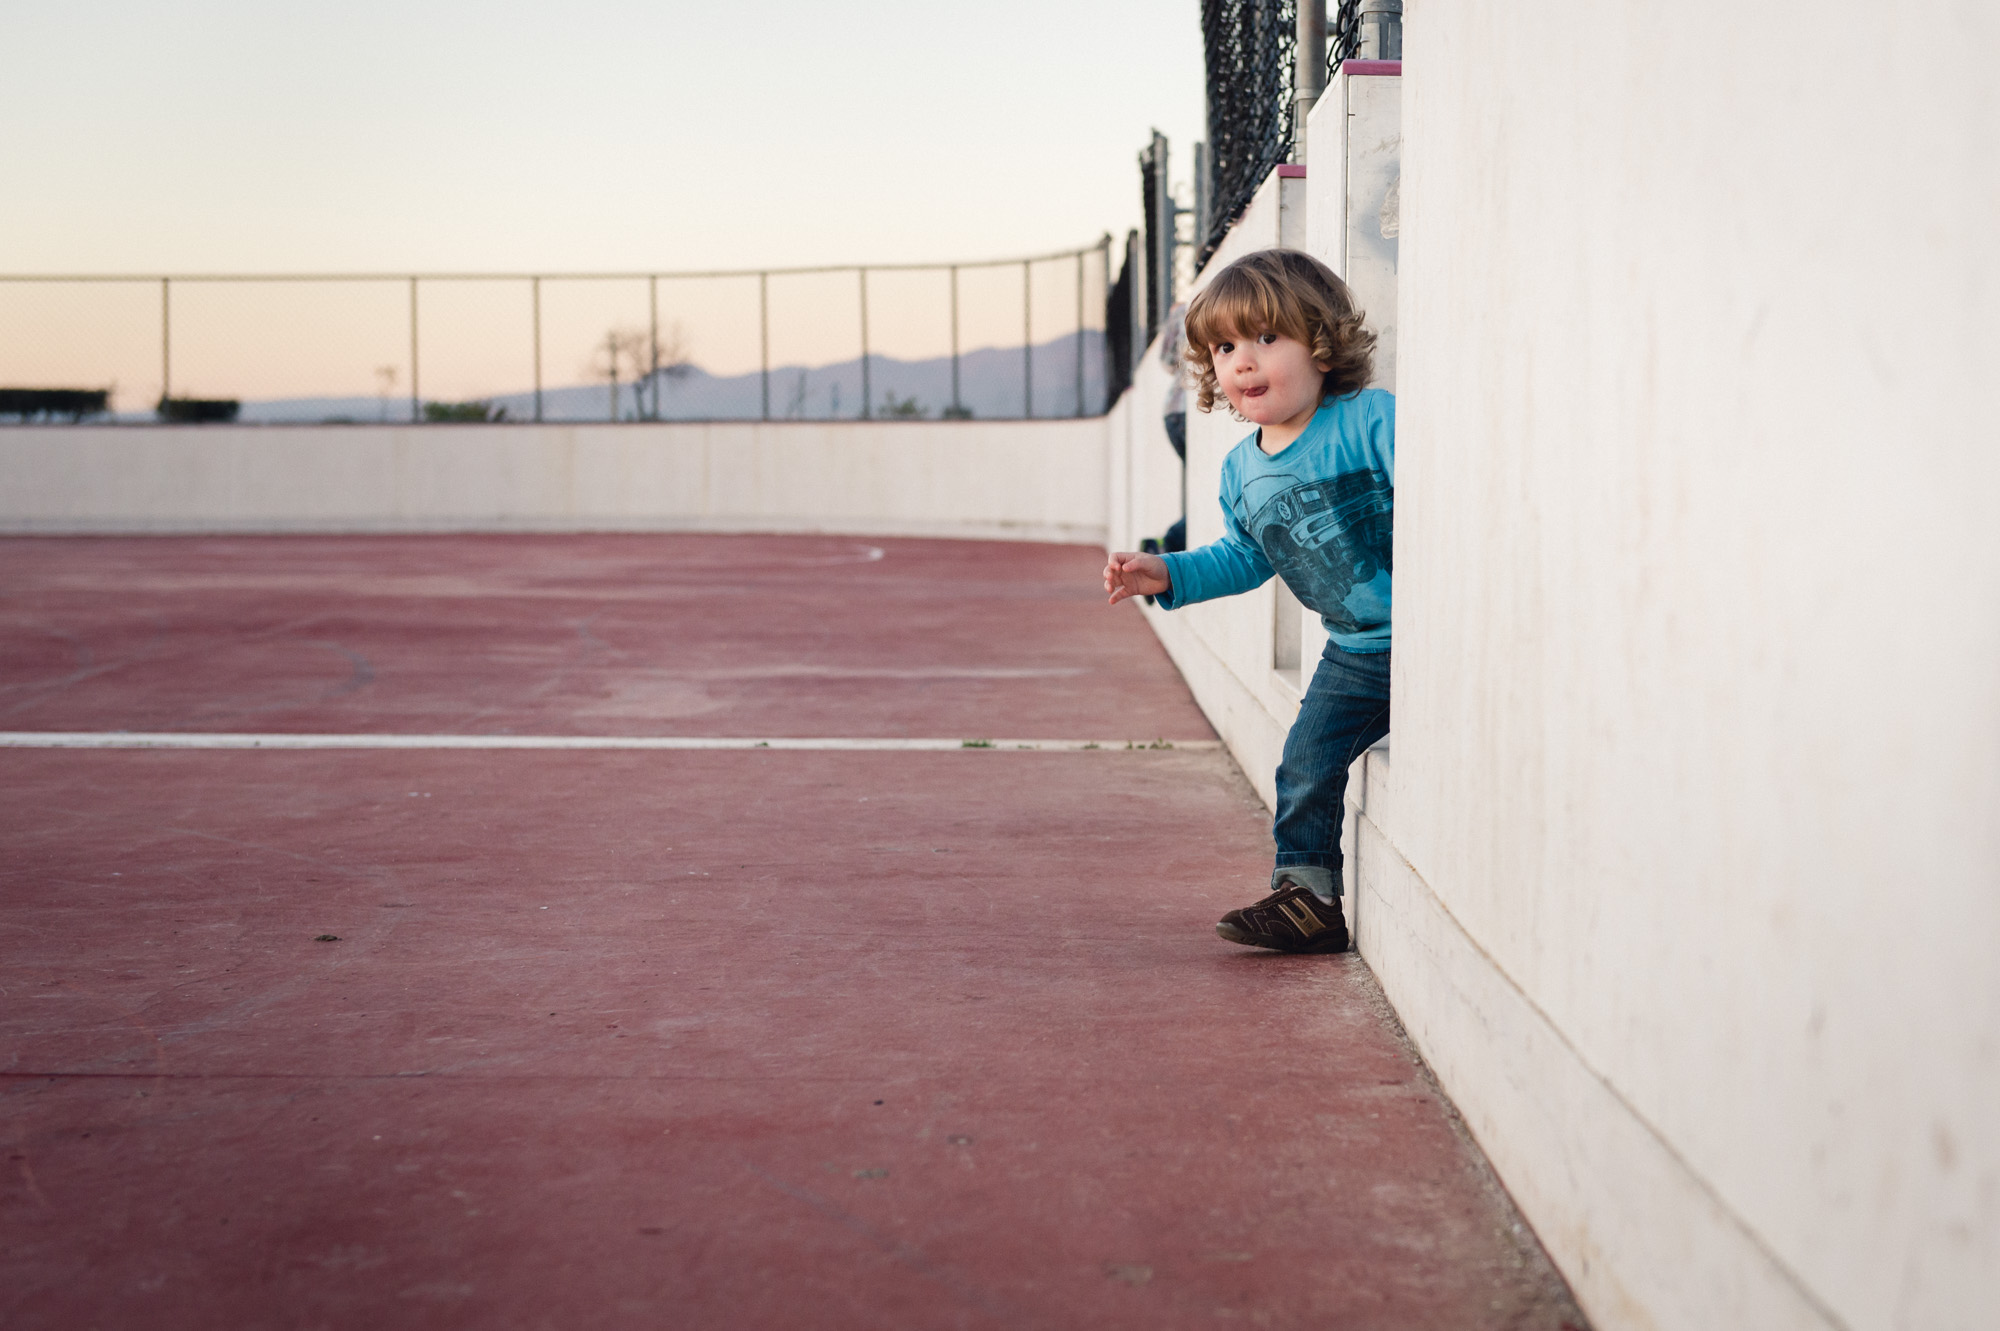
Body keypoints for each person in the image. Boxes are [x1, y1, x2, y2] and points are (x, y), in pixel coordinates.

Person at [1103, 248, 1392, 954]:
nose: (1244, 361)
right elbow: (1245, 556)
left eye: (1268, 338)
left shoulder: (1370, 420)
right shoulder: (1241, 471)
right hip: (1356, 652)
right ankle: (1310, 898)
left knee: (1305, 762)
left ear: (1322, 344)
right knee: (1303, 764)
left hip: (1430, 638)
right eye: (1226, 347)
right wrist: (1167, 573)